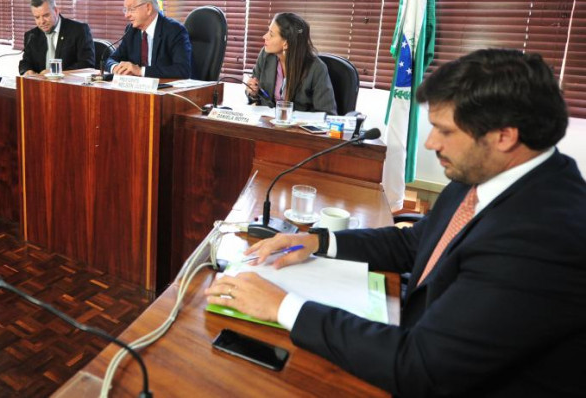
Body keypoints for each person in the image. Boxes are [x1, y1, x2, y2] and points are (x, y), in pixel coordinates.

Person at [206, 49, 585, 397]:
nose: (431, 143)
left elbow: (422, 366)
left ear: (504, 136)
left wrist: (284, 307)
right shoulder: (486, 174)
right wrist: (318, 244)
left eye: (446, 131)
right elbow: (414, 243)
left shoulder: (544, 236)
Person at [245, 12, 337, 114]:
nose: (264, 36)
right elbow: (254, 97)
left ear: (286, 43)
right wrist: (252, 92)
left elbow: (327, 113)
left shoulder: (316, 69)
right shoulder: (266, 55)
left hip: (298, 127)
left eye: (271, 34)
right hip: (266, 123)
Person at [106, 0, 192, 79]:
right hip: (138, 90)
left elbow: (182, 69)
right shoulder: (131, 31)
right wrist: (115, 68)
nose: (126, 15)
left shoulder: (174, 30)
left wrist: (140, 71)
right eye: (125, 10)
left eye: (131, 9)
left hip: (165, 90)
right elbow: (112, 59)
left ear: (148, 8)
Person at [19, 0, 95, 76]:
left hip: (69, 85)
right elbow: (25, 62)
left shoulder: (78, 30)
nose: (41, 21)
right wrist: (27, 71)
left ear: (56, 11)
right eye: (37, 17)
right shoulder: (32, 35)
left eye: (45, 15)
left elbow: (87, 63)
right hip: (41, 86)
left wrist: (55, 73)